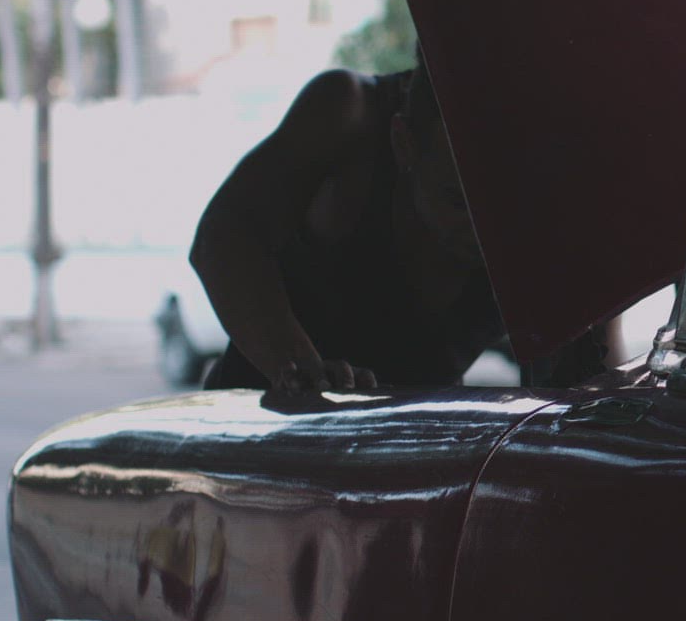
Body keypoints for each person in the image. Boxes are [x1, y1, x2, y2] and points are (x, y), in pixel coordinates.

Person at [189, 61, 505, 392]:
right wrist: (300, 371)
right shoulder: (347, 116)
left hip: (411, 421)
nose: (484, 232)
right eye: (458, 201)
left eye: (508, 207)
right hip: (259, 413)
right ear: (403, 143)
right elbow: (222, 237)